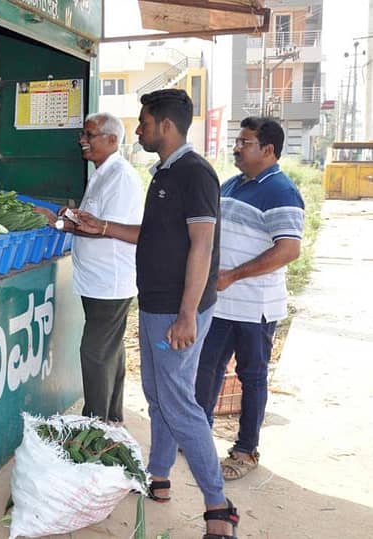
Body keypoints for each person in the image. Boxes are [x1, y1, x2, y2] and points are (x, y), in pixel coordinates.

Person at [75, 89, 239, 539]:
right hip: (154, 303)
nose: (140, 130)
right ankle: (159, 475)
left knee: (179, 403)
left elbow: (202, 246)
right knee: (157, 393)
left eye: (145, 122)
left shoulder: (195, 173)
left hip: (176, 309)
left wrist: (187, 314)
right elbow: (154, 235)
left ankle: (218, 508)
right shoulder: (164, 173)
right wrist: (103, 227)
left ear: (165, 125)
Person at [194, 117, 304, 481]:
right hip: (221, 303)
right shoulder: (233, 184)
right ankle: (198, 435)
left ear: (268, 150)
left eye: (245, 142)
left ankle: (245, 450)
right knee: (206, 368)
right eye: (237, 141)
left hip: (254, 307)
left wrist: (233, 275)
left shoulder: (281, 192)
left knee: (252, 377)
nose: (237, 148)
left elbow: (288, 250)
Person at [36, 112, 142, 423]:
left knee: (95, 353)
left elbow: (102, 228)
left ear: (112, 140)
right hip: (97, 281)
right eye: (83, 134)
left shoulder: (120, 177)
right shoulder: (101, 173)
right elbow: (91, 218)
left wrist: (57, 223)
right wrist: (68, 214)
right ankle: (112, 417)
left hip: (110, 282)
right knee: (110, 349)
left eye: (89, 135)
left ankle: (94, 425)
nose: (83, 140)